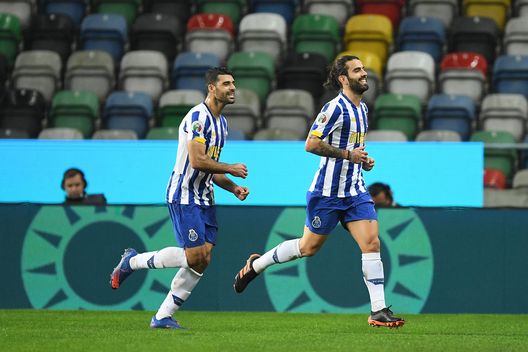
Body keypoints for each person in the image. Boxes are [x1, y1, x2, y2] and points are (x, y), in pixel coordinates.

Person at [233, 55, 405, 328]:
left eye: (363, 69)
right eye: (357, 70)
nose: (364, 74)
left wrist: (362, 160)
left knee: (371, 243)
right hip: (326, 193)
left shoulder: (362, 109)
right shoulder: (334, 108)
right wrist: (348, 155)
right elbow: (311, 144)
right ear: (343, 79)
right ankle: (257, 265)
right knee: (307, 247)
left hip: (355, 191)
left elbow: (352, 151)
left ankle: (378, 310)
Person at [109, 67, 249, 329]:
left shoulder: (222, 124)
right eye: (227, 84)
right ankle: (133, 261)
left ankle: (162, 316)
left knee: (203, 258)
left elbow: (211, 166)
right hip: (184, 194)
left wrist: (232, 187)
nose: (232, 88)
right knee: (195, 256)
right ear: (212, 88)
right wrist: (230, 167)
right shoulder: (198, 118)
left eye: (233, 83)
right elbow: (197, 161)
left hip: (204, 196)